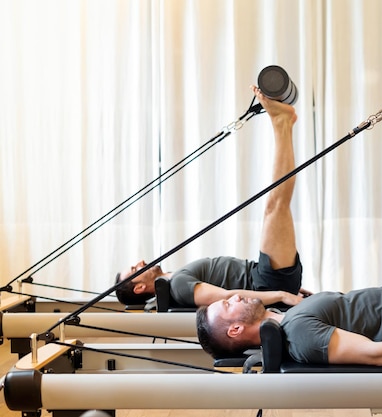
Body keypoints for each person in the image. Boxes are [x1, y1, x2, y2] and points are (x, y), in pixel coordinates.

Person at [196, 50, 382, 368]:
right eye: (227, 306)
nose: (231, 295)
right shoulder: (299, 334)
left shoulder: (287, 317)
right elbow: (374, 353)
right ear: (235, 329)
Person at [115, 85, 310, 309]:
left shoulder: (178, 278)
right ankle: (282, 123)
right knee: (276, 204)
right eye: (134, 270)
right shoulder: (179, 284)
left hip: (265, 277)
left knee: (276, 204)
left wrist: (283, 290)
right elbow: (226, 297)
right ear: (139, 288)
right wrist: (280, 294)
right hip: (265, 282)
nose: (139, 262)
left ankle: (283, 123)